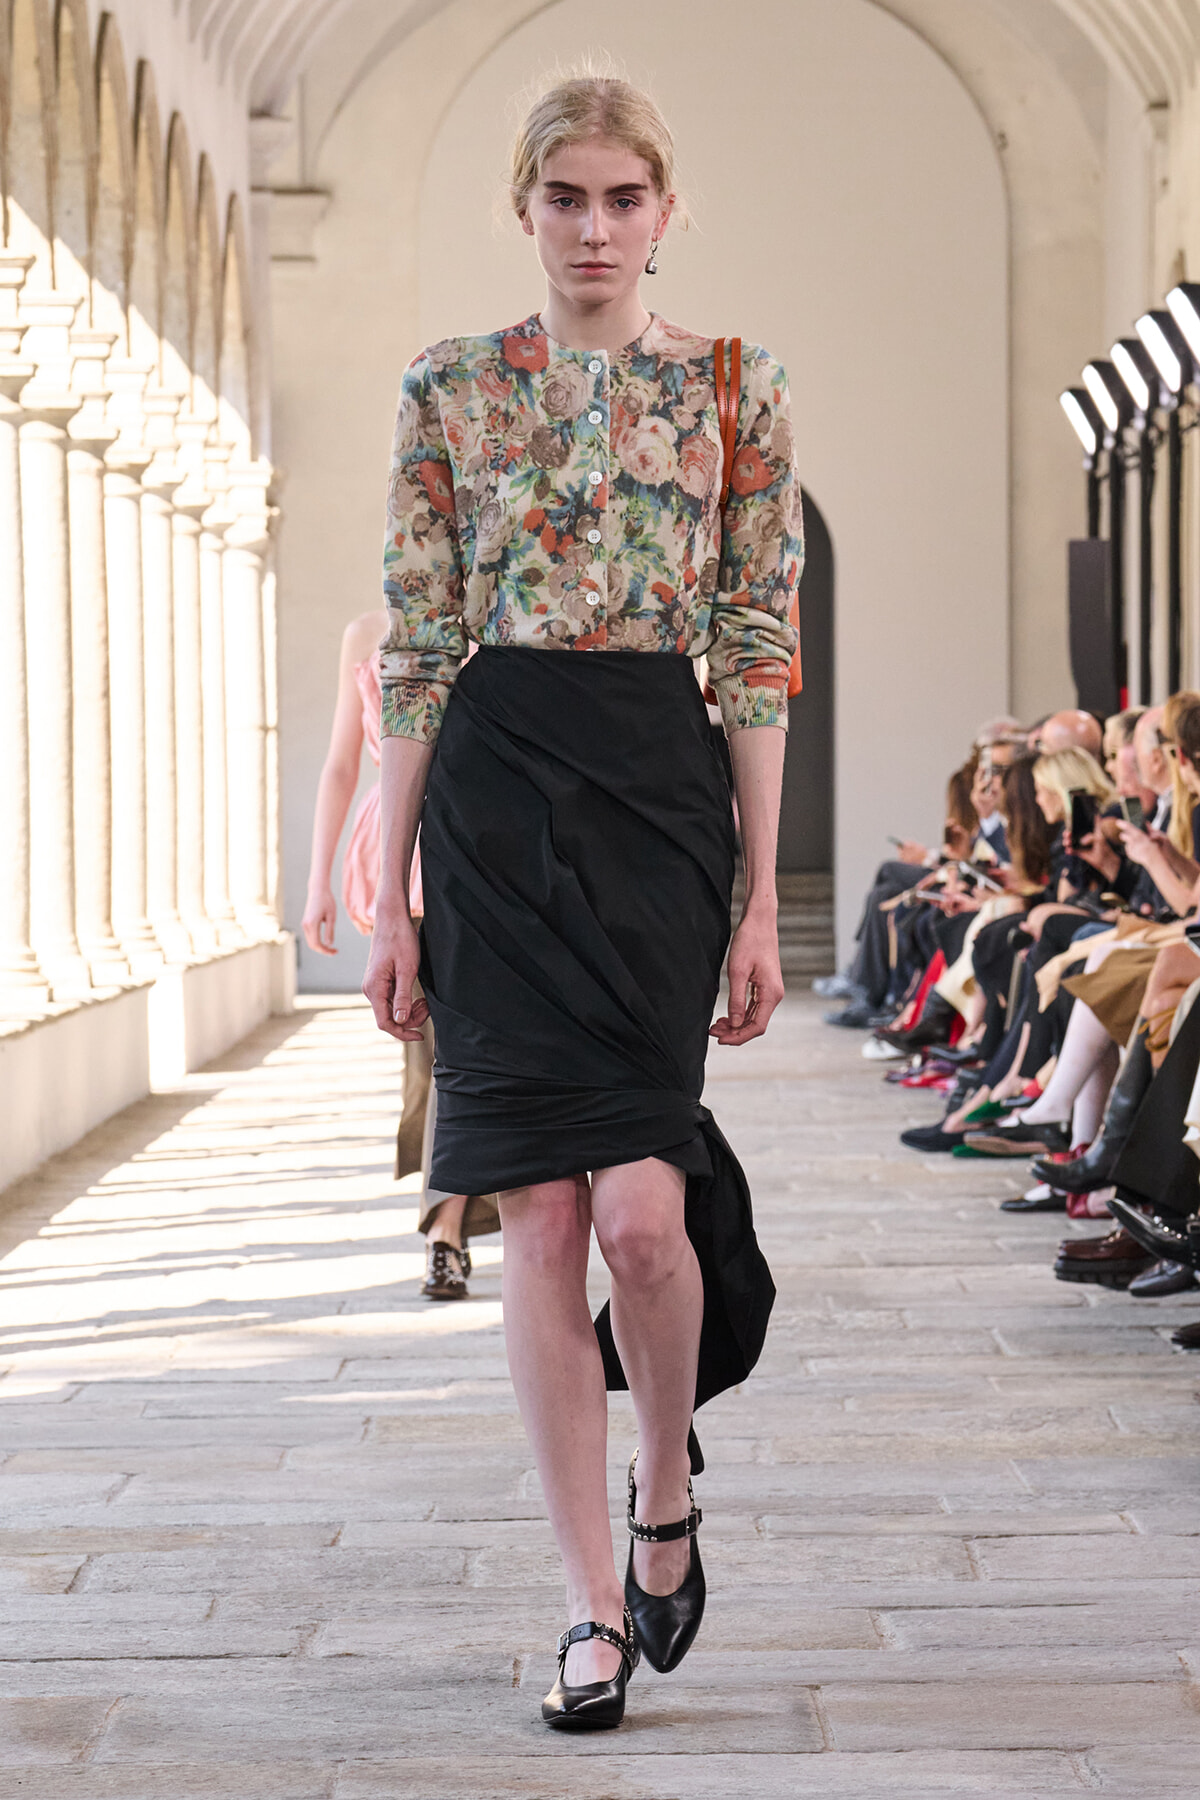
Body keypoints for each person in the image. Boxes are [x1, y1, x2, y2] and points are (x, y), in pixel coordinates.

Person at [362, 69, 800, 1731]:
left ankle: (667, 1484)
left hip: (656, 802)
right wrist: (394, 888)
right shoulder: (450, 387)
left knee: (642, 1217)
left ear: (666, 211)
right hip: (489, 798)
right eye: (568, 198)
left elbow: (756, 646)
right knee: (539, 1217)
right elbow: (414, 639)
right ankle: (590, 1606)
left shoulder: (738, 388)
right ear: (526, 209)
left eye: (626, 197)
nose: (597, 226)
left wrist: (759, 895)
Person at [301, 608, 495, 1301]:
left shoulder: (497, 617)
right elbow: (340, 766)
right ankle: (450, 1222)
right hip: (402, 855)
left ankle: (450, 1228)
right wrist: (316, 883)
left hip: (486, 841)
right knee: (428, 1049)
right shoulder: (364, 632)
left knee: (463, 1050)